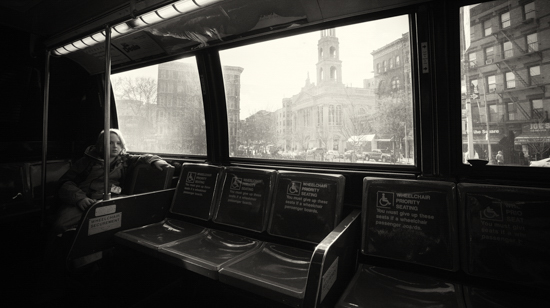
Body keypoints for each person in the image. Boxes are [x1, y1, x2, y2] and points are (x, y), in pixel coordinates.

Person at [50, 128, 172, 235]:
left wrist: (156, 160)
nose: (115, 146)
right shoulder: (86, 162)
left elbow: (143, 157)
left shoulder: (124, 160)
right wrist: (80, 198)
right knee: (61, 225)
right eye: (110, 143)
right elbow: (65, 183)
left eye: (118, 143)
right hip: (85, 200)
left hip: (110, 199)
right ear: (101, 145)